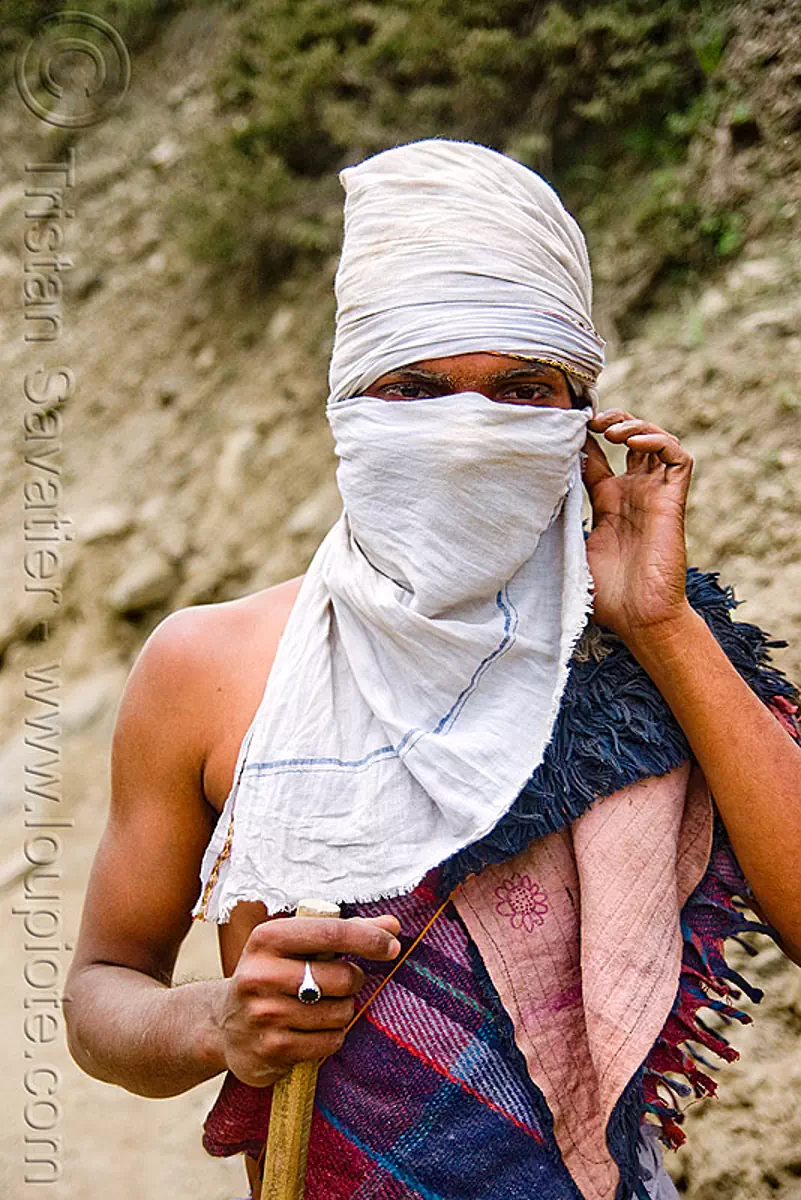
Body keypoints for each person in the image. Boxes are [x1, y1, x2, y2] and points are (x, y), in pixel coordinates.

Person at [63, 140, 801, 1200]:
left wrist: (664, 623)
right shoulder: (212, 668)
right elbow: (101, 996)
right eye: (412, 388)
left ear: (579, 417)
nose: (464, 437)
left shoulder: (647, 652)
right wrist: (214, 1020)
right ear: (346, 406)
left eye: (521, 389)